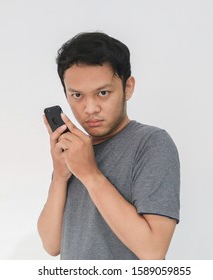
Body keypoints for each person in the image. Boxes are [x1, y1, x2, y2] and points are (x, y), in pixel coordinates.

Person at [37, 32, 180, 260]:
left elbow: (153, 250)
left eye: (102, 93)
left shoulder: (152, 143)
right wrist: (60, 176)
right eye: (77, 95)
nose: (90, 108)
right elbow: (51, 244)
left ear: (128, 87)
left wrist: (90, 174)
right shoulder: (75, 150)